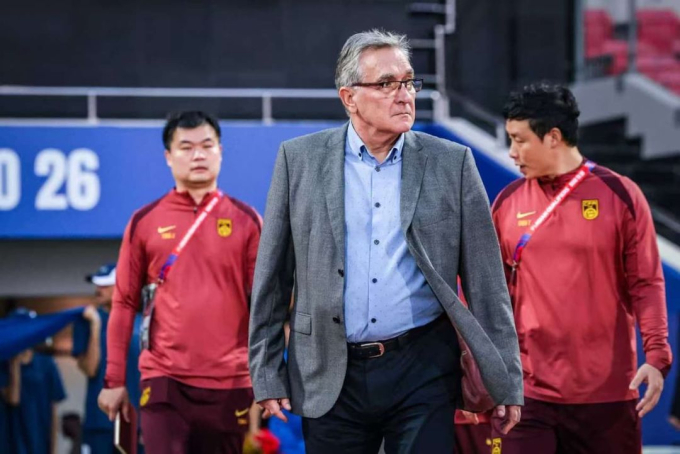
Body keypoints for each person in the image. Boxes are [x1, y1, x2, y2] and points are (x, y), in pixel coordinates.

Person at [249, 29, 523, 454]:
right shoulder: (298, 159)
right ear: (349, 97)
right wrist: (266, 372)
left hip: (423, 365)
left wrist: (506, 379)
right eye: (386, 84)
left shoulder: (453, 162)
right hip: (328, 368)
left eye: (409, 82)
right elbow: (272, 278)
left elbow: (488, 284)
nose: (404, 95)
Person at [492, 82, 673, 453]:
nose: (512, 152)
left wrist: (657, 357)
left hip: (607, 396)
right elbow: (487, 292)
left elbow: (646, 284)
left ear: (553, 137)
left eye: (520, 140)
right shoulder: (507, 203)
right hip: (527, 396)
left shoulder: (621, 194)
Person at [97, 111, 262, 454]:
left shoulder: (247, 221)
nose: (198, 155)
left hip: (230, 382)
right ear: (168, 157)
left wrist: (269, 377)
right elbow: (124, 303)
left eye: (207, 145)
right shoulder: (144, 221)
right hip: (163, 380)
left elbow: (265, 305)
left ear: (220, 152)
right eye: (186, 147)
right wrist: (114, 380)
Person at [73, 263, 144, 453]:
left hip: (134, 421)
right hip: (99, 422)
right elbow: (90, 369)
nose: (98, 289)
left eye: (105, 284)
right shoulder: (85, 322)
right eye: (97, 284)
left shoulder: (141, 323)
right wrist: (96, 326)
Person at [6, 309, 66, 454]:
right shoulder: (4, 364)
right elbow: (13, 399)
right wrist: (14, 362)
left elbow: (53, 410)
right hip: (11, 441)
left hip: (39, 440)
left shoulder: (47, 364)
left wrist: (53, 449)